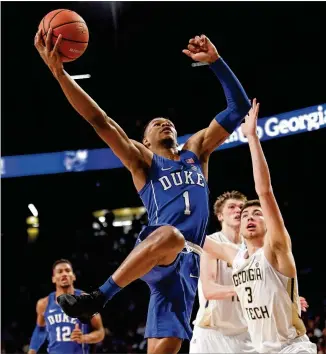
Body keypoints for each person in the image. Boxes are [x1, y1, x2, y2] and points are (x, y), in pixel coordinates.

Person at [34, 28, 251, 353]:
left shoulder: (197, 152)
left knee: (169, 344)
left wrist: (216, 62)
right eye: (155, 123)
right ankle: (97, 298)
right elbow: (99, 119)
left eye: (169, 122)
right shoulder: (143, 162)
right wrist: (60, 74)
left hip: (188, 263)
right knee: (171, 236)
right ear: (145, 141)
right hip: (157, 248)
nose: (165, 122)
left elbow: (239, 108)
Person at [204, 99, 317, 353]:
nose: (249, 217)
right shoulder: (237, 256)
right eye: (245, 215)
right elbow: (196, 238)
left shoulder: (275, 249)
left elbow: (264, 192)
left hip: (292, 348)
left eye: (257, 214)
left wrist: (252, 138)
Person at [190, 190, 256, 353]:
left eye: (241, 207)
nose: (238, 210)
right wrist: (244, 289)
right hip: (212, 332)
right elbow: (210, 290)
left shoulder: (254, 248)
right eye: (231, 207)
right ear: (220, 216)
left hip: (245, 332)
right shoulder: (212, 243)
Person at [28, 259, 104, 354]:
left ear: (74, 276)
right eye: (60, 272)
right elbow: (40, 330)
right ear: (53, 278)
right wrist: (32, 351)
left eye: (67, 271)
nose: (64, 274)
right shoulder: (43, 303)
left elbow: (100, 332)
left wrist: (85, 338)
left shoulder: (86, 300)